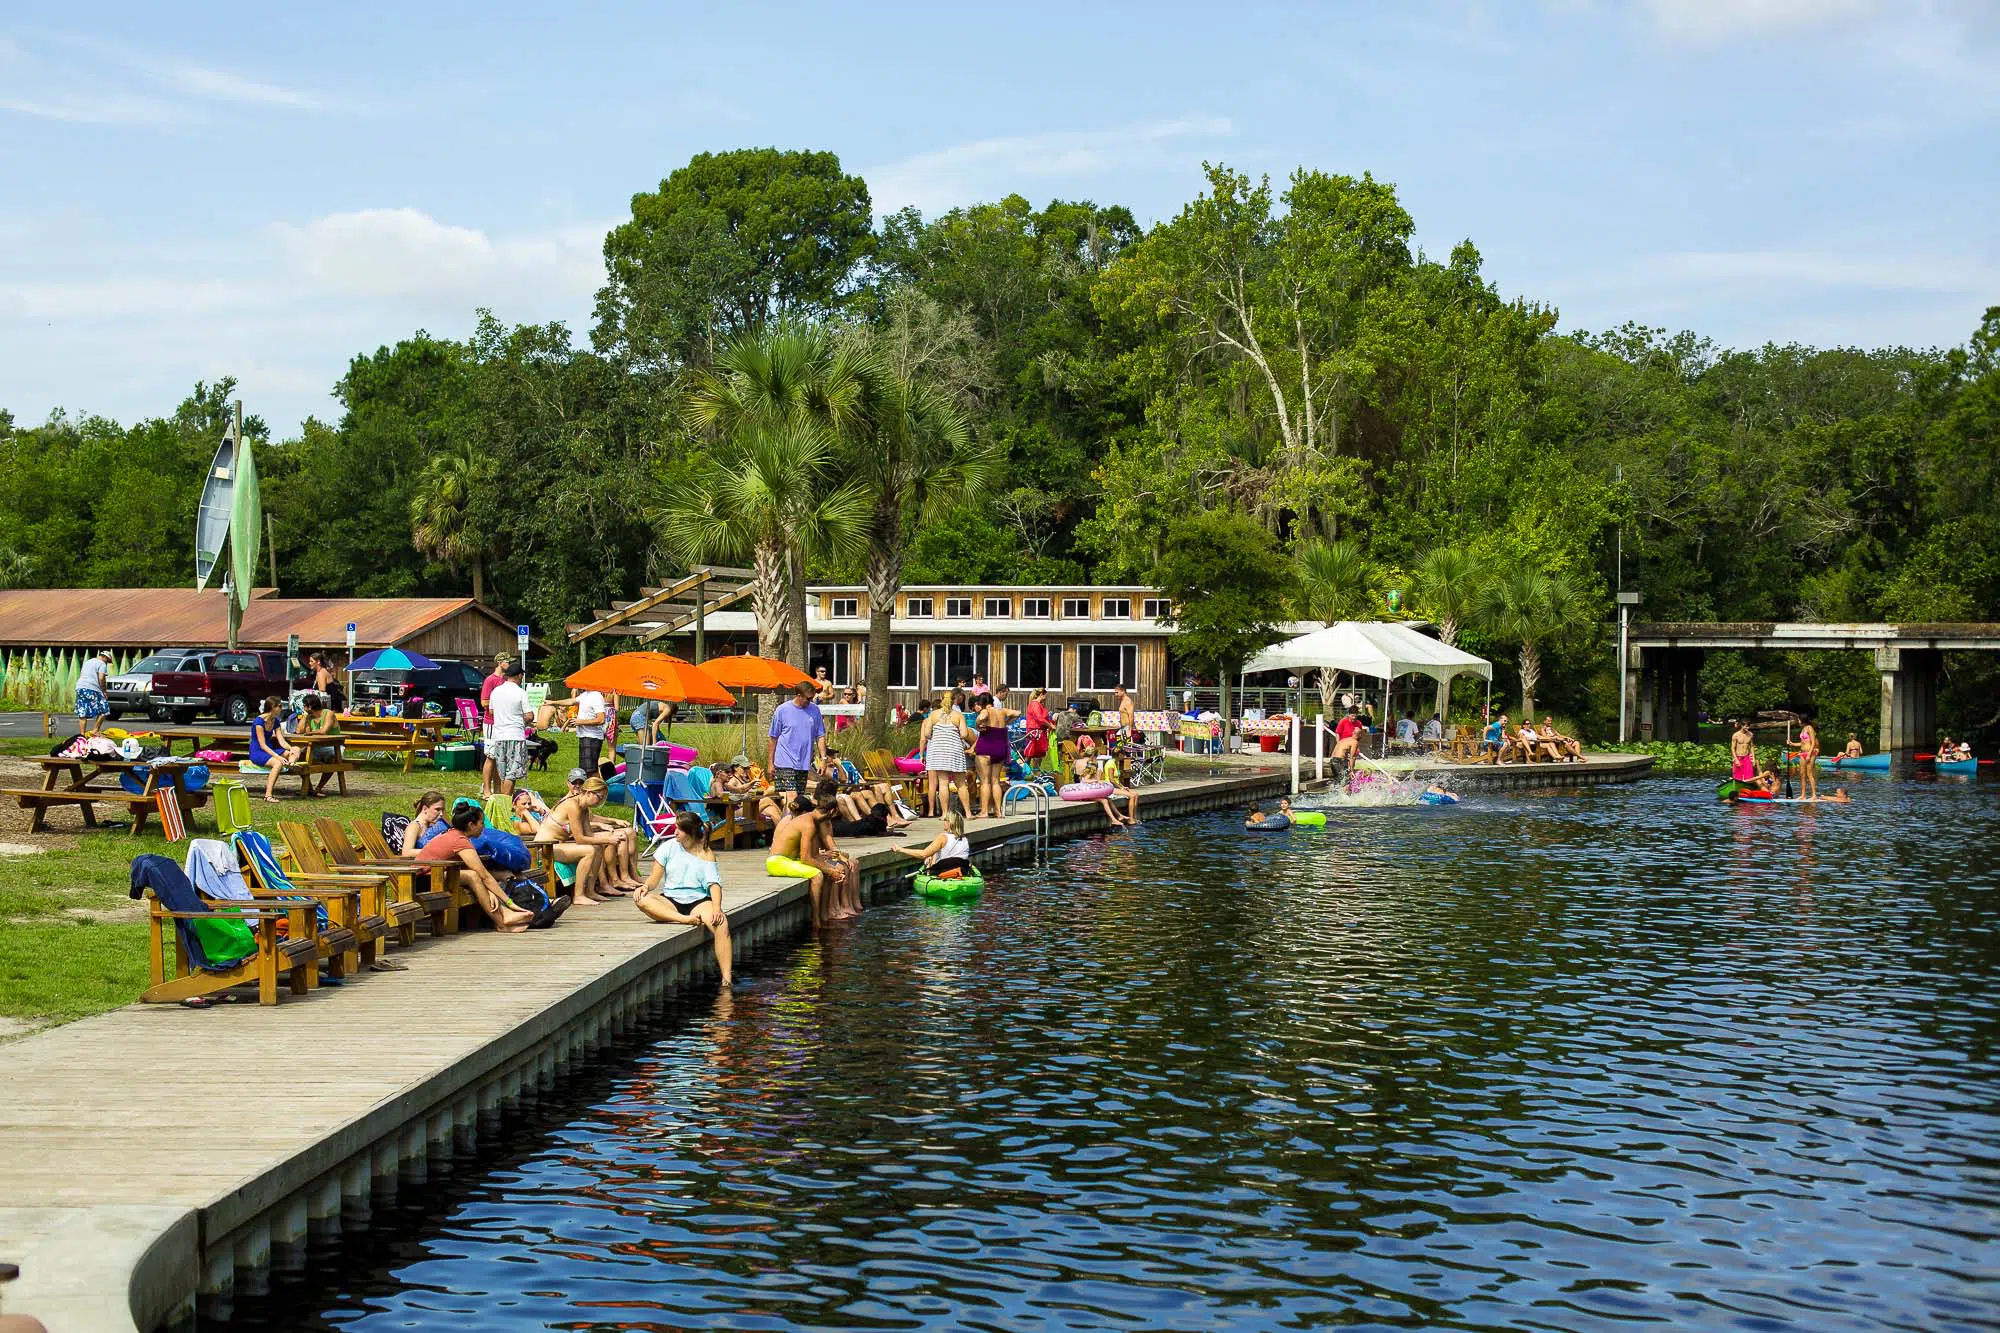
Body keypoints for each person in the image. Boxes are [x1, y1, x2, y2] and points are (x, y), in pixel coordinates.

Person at [416, 801, 561, 931]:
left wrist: (492, 892)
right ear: (471, 825)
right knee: (473, 876)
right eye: (481, 823)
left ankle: (516, 910)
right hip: (424, 882)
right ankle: (502, 922)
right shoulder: (459, 841)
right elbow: (483, 875)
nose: (483, 827)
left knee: (498, 873)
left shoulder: (454, 835)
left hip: (441, 875)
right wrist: (509, 902)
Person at [633, 811, 733, 985]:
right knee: (643, 899)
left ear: (691, 832)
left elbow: (714, 885)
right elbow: (654, 878)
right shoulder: (667, 847)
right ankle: (683, 919)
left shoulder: (706, 853)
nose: (675, 832)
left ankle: (726, 977)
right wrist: (645, 886)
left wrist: (717, 908)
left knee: (721, 923)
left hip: (698, 901)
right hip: (671, 899)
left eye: (679, 829)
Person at [554, 770, 644, 889]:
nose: (577, 786)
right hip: (551, 845)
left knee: (624, 835)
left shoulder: (583, 806)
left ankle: (624, 876)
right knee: (593, 848)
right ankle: (600, 885)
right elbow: (580, 837)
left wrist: (610, 828)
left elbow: (588, 829)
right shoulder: (572, 804)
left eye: (581, 782)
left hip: (567, 840)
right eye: (600, 797)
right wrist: (606, 836)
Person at [766, 796, 832, 925]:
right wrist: (829, 870)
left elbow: (810, 855)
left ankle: (824, 915)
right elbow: (806, 858)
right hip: (776, 862)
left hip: (786, 860)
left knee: (824, 869)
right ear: (832, 811)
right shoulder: (808, 824)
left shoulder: (803, 820)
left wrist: (828, 864)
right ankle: (816, 920)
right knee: (817, 875)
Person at [920, 692, 976, 819]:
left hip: (938, 750)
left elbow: (927, 734)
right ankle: (968, 813)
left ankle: (944, 814)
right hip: (954, 750)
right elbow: (964, 734)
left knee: (943, 783)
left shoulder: (933, 715)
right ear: (953, 702)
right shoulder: (958, 715)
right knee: (961, 783)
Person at [768, 680, 826, 800]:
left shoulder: (815, 710)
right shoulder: (782, 710)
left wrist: (823, 759)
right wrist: (770, 763)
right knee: (792, 796)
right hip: (784, 762)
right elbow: (773, 738)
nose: (810, 701)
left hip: (803, 763)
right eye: (808, 698)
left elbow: (820, 736)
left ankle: (786, 819)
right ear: (799, 695)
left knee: (796, 800)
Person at [486, 661, 531, 796]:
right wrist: (524, 719)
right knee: (512, 773)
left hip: (499, 736)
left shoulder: (496, 691)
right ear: (518, 676)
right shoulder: (520, 692)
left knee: (503, 772)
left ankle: (503, 800)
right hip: (515, 736)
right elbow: (529, 715)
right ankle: (505, 802)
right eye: (521, 676)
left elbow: (492, 711)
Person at [248, 695, 302, 802]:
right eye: (280, 706)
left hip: (270, 750)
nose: (281, 708)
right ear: (273, 707)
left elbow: (281, 740)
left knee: (296, 749)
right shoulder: (259, 722)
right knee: (278, 763)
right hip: (258, 751)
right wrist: (278, 757)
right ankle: (268, 795)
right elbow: (262, 745)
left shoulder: (275, 721)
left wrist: (291, 750)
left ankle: (291, 764)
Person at [893, 810, 972, 878]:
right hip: (961, 870)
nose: (943, 822)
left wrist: (900, 849)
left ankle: (929, 869)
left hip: (943, 871)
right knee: (933, 854)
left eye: (945, 820)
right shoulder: (965, 839)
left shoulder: (943, 837)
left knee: (928, 857)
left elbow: (923, 854)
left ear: (950, 823)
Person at [972, 691, 1013, 819]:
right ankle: (998, 811)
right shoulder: (1001, 711)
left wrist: (978, 725)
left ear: (982, 703)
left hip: (986, 748)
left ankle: (984, 811)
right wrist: (1007, 722)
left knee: (985, 782)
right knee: (995, 781)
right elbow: (1017, 713)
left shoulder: (986, 711)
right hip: (1000, 748)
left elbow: (981, 718)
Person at [478, 653, 510, 798]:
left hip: (504, 723)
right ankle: (486, 789)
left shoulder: (506, 681)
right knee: (491, 756)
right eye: (507, 662)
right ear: (500, 663)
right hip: (491, 722)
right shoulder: (490, 680)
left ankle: (497, 789)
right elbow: (484, 702)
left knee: (500, 756)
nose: (509, 664)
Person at [298, 694, 344, 793]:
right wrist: (305, 716)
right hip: (315, 746)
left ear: (309, 706)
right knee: (299, 757)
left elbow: (324, 731)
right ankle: (308, 788)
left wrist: (309, 733)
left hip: (332, 746)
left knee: (333, 758)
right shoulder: (309, 717)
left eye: (304, 705)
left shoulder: (328, 713)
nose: (303, 708)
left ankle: (319, 787)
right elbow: (299, 731)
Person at [572, 686, 609, 777]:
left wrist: (581, 722)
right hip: (584, 736)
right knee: (585, 769)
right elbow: (571, 701)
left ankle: (598, 790)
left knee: (591, 770)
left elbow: (601, 720)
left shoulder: (596, 696)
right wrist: (553, 702)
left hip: (592, 737)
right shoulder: (585, 695)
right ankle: (590, 789)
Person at [75, 648, 113, 736]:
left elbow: (82, 675)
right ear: (106, 658)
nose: (107, 663)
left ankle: (82, 734)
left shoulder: (88, 662)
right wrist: (104, 691)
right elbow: (101, 678)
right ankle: (95, 730)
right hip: (92, 688)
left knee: (82, 711)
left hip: (80, 687)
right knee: (104, 710)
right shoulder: (102, 664)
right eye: (108, 661)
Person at [402, 790, 449, 854]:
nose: (441, 814)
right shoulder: (414, 826)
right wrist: (436, 851)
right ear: (425, 809)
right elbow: (406, 852)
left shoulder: (433, 826)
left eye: (442, 810)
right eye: (437, 809)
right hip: (423, 862)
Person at [1023, 687, 1054, 771]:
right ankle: (1030, 771)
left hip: (1040, 731)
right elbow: (1039, 718)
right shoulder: (1035, 704)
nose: (1046, 698)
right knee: (1034, 753)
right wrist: (1050, 725)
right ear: (1041, 695)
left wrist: (1050, 723)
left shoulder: (1039, 705)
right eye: (1045, 695)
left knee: (1036, 753)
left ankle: (1030, 771)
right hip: (1036, 731)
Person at [1797, 716, 1820, 801]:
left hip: (1810, 753)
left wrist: (1809, 755)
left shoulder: (1809, 728)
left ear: (1802, 720)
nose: (1798, 721)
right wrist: (1792, 743)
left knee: (1809, 774)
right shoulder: (1803, 729)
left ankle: (1814, 795)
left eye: (1799, 720)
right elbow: (1802, 743)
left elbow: (1813, 742)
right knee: (1802, 774)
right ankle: (1803, 795)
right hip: (1802, 752)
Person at [1730, 718, 1756, 783]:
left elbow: (1752, 746)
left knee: (1749, 777)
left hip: (1747, 757)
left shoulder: (1750, 734)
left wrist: (1753, 758)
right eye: (1746, 726)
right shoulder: (1735, 735)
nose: (1748, 727)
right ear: (1742, 725)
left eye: (1748, 726)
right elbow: (1732, 748)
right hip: (1738, 757)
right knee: (1737, 777)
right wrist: (1736, 759)